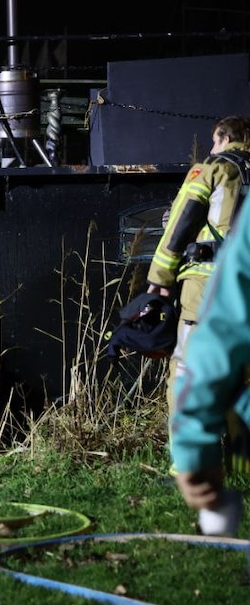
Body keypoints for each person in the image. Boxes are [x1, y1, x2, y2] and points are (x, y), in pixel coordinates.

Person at [147, 115, 250, 469]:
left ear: (225, 137)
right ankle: (243, 461)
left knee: (187, 370)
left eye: (214, 141)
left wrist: (160, 276)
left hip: (207, 290)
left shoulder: (211, 170)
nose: (210, 148)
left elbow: (181, 223)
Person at [169, 190, 250, 534]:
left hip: (198, 288)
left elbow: (220, 335)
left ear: (219, 134)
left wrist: (193, 452)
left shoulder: (211, 171)